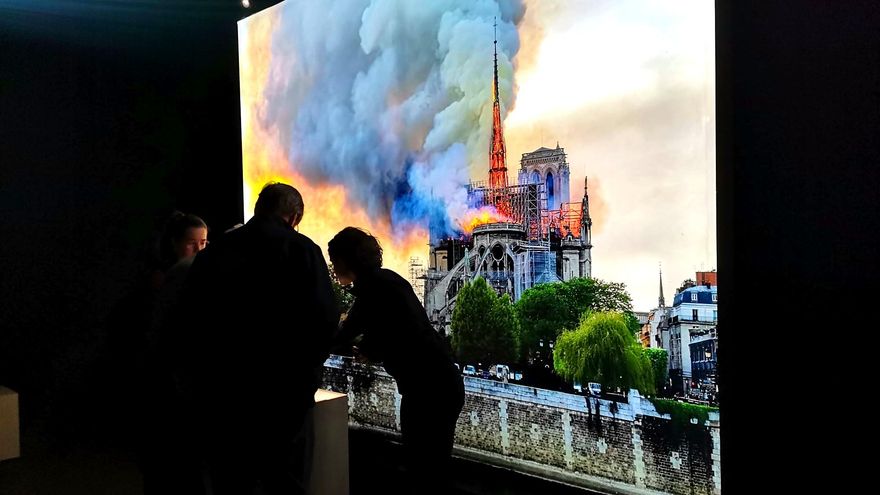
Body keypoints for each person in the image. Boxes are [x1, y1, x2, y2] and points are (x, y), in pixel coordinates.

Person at [175, 183, 338, 495]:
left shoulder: (215, 252)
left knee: (232, 476)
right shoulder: (303, 250)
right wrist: (305, 373)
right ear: (293, 217)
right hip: (284, 391)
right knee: (284, 476)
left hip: (224, 389)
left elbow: (190, 317)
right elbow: (324, 320)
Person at [328, 227, 465, 494]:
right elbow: (401, 331)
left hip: (428, 390)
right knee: (432, 470)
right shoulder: (387, 281)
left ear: (346, 260)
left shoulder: (373, 288)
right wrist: (372, 348)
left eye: (334, 260)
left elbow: (344, 333)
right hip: (440, 384)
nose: (333, 267)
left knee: (422, 469)